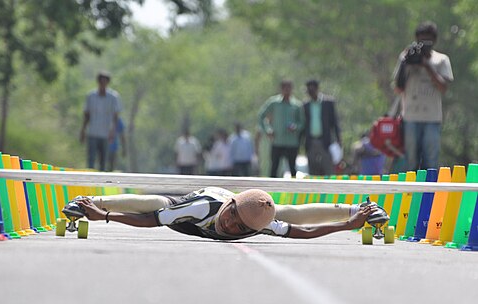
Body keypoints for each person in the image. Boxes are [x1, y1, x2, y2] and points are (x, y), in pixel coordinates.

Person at [62, 187, 389, 241]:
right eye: (232, 217)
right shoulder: (204, 209)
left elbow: (302, 232)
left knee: (289, 212)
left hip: (255, 207)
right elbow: (151, 221)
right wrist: (103, 215)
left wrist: (351, 223)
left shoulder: (260, 224)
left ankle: (359, 207)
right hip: (194, 216)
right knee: (157, 202)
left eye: (239, 227)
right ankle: (90, 200)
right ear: (231, 205)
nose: (229, 226)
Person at [393, 21, 453, 171]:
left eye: (428, 40)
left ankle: (430, 194)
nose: (424, 44)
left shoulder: (441, 59)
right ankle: (411, 193)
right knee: (410, 161)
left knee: (430, 162)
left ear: (434, 40)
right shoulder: (406, 57)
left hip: (432, 118)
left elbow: (443, 87)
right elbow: (398, 88)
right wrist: (406, 62)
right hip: (411, 118)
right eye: (421, 40)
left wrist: (427, 65)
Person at [258, 80, 303, 178]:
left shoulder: (297, 105)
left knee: (292, 169)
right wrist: (268, 130)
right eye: (284, 88)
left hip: (291, 142)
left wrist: (295, 127)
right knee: (274, 168)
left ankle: (293, 191)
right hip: (277, 141)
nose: (287, 90)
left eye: (289, 88)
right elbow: (261, 116)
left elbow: (302, 123)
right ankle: (271, 191)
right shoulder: (274, 103)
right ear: (281, 89)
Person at [80, 71, 123, 171]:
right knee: (91, 160)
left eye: (105, 82)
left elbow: (115, 116)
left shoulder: (113, 97)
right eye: (101, 81)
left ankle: (100, 184)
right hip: (93, 133)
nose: (103, 84)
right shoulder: (91, 96)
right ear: (98, 82)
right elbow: (87, 115)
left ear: (108, 83)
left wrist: (113, 131)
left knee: (103, 162)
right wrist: (83, 130)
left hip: (106, 134)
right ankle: (89, 183)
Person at [302, 79, 341, 175]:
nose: (310, 93)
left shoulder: (328, 103)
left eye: (312, 90)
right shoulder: (305, 105)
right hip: (311, 141)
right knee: (312, 170)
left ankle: (330, 190)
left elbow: (334, 122)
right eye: (309, 91)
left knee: (328, 168)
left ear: (317, 89)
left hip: (325, 141)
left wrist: (339, 139)